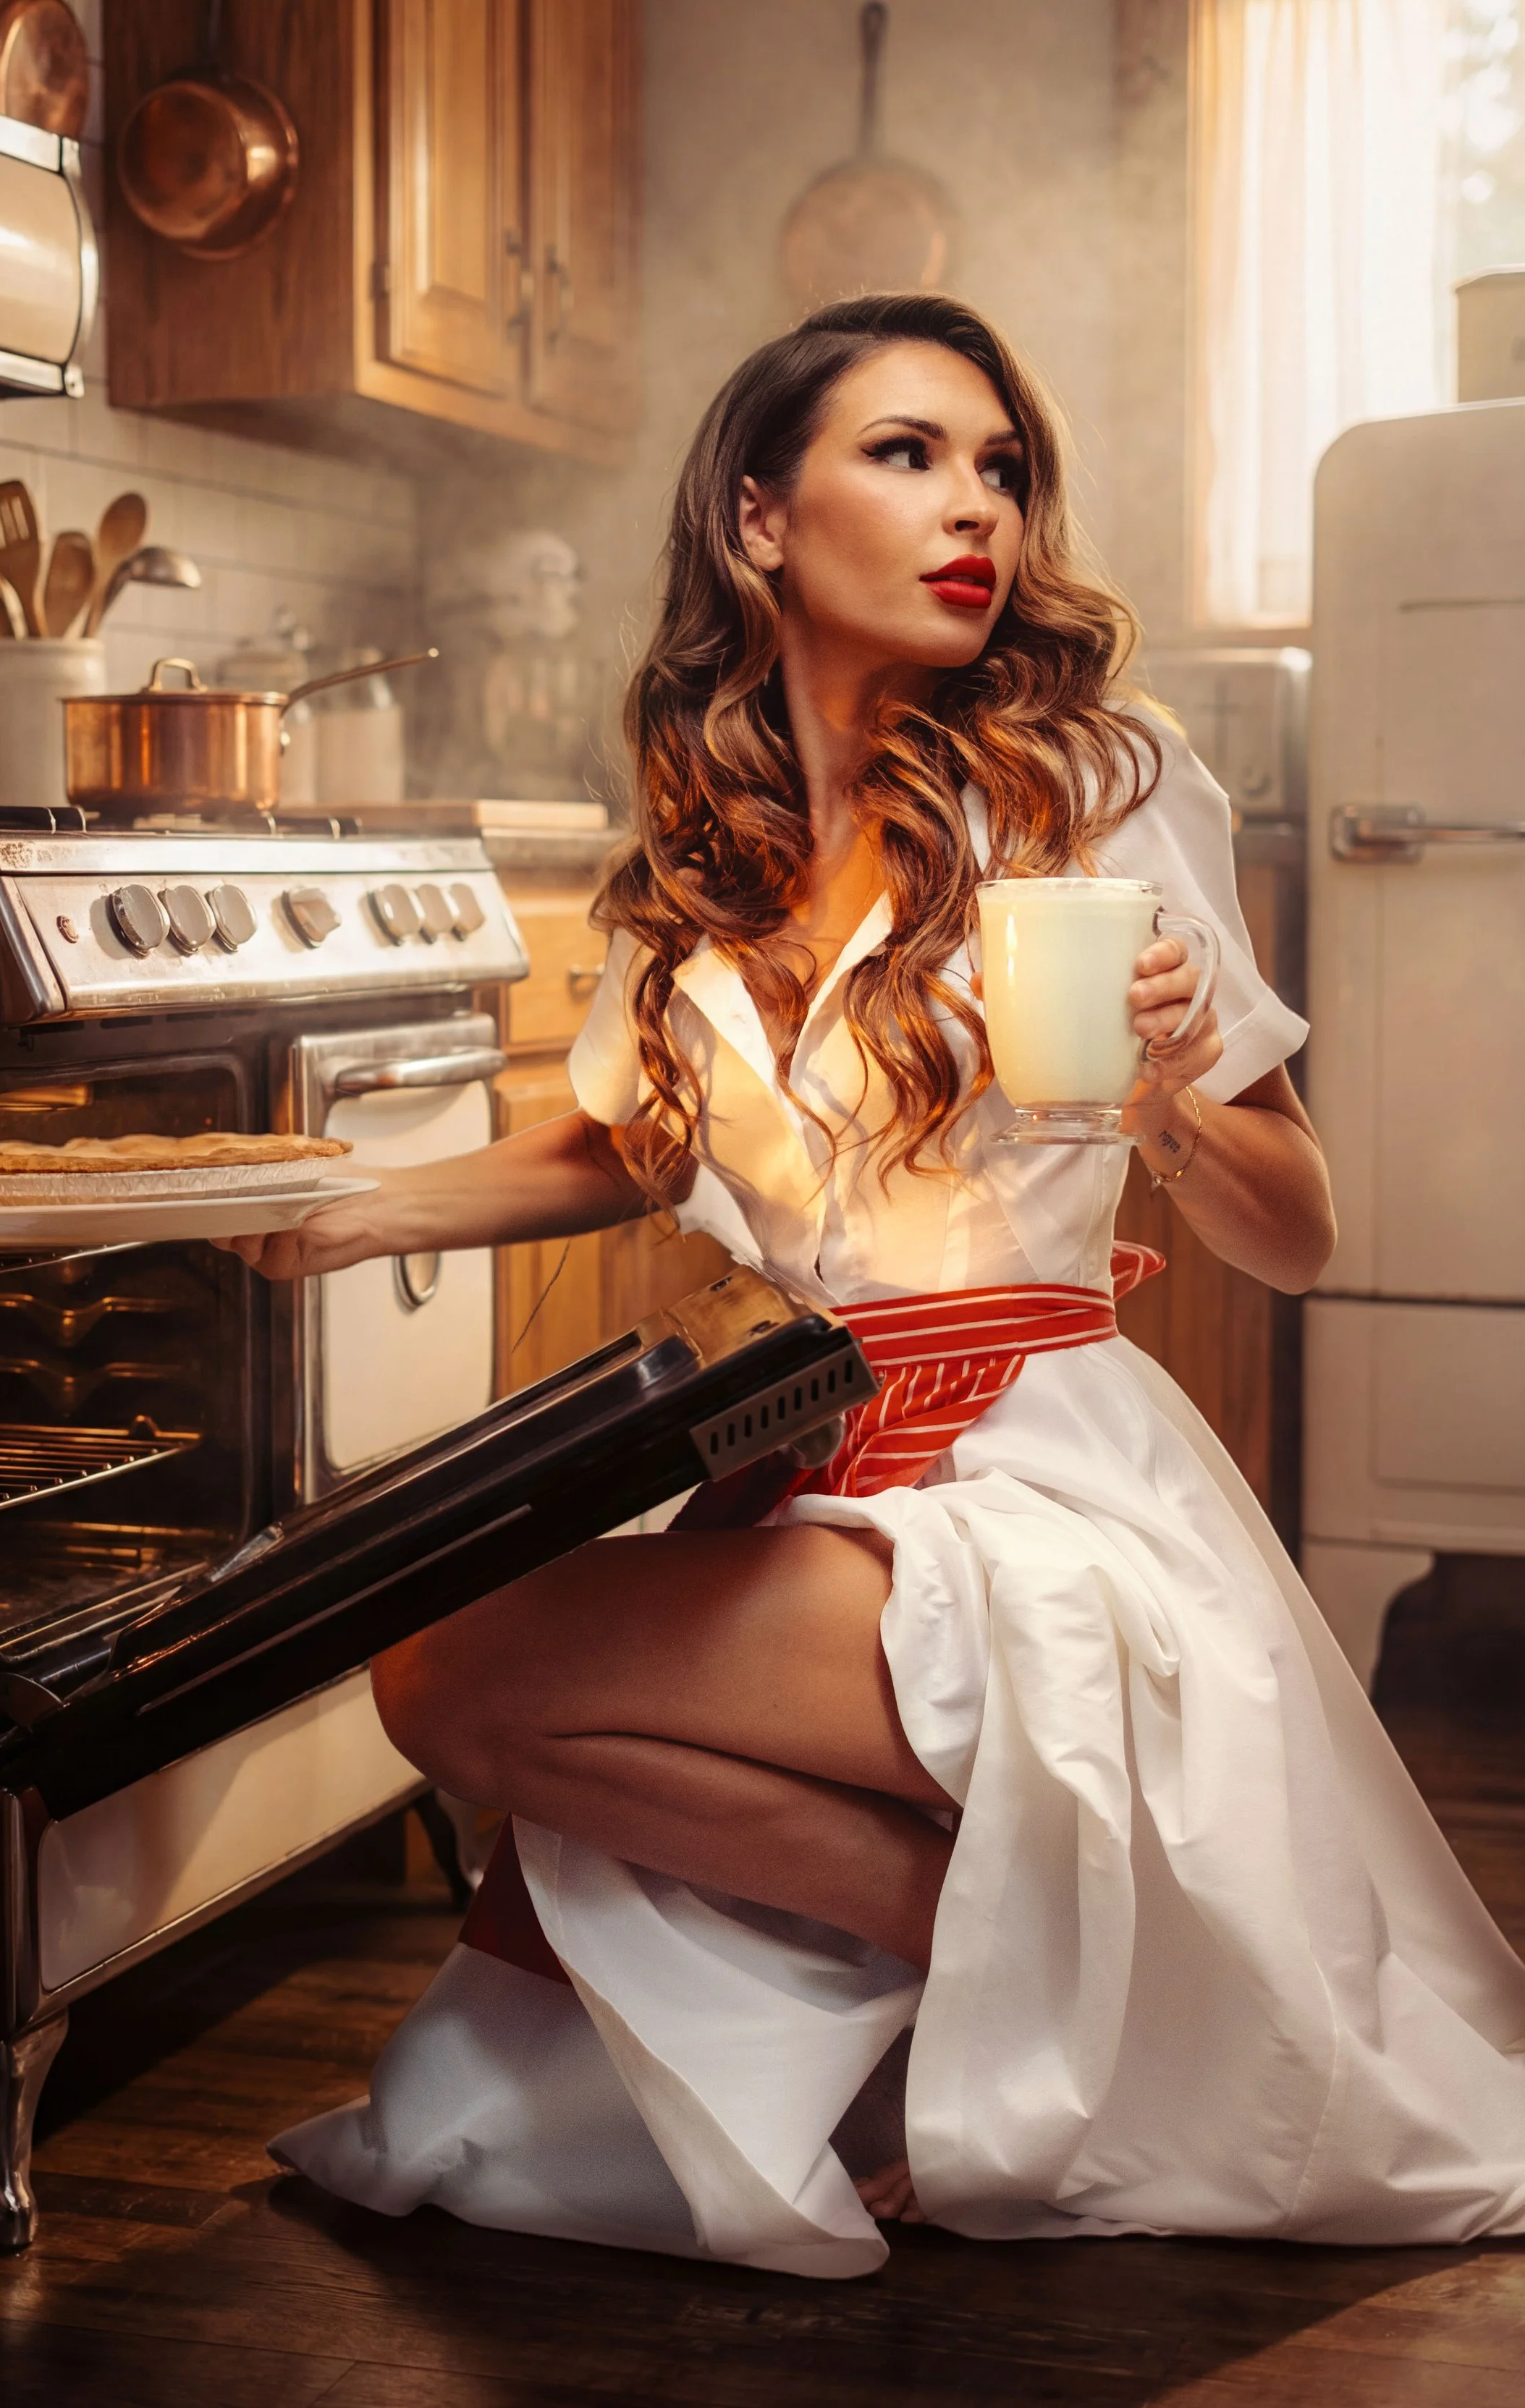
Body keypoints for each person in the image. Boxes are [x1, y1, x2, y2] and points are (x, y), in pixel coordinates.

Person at [224, 296, 1525, 2275]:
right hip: (820, 1461)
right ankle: (1029, 1978)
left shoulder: (1094, 778)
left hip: (1046, 1496)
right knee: (472, 1703)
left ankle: (1061, 2000)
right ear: (757, 516)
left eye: (996, 464)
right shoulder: (705, 833)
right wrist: (356, 1207)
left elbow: (1298, 1229)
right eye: (906, 454)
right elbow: (624, 1138)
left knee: (459, 1667)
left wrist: (1172, 1087)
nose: (972, 505)